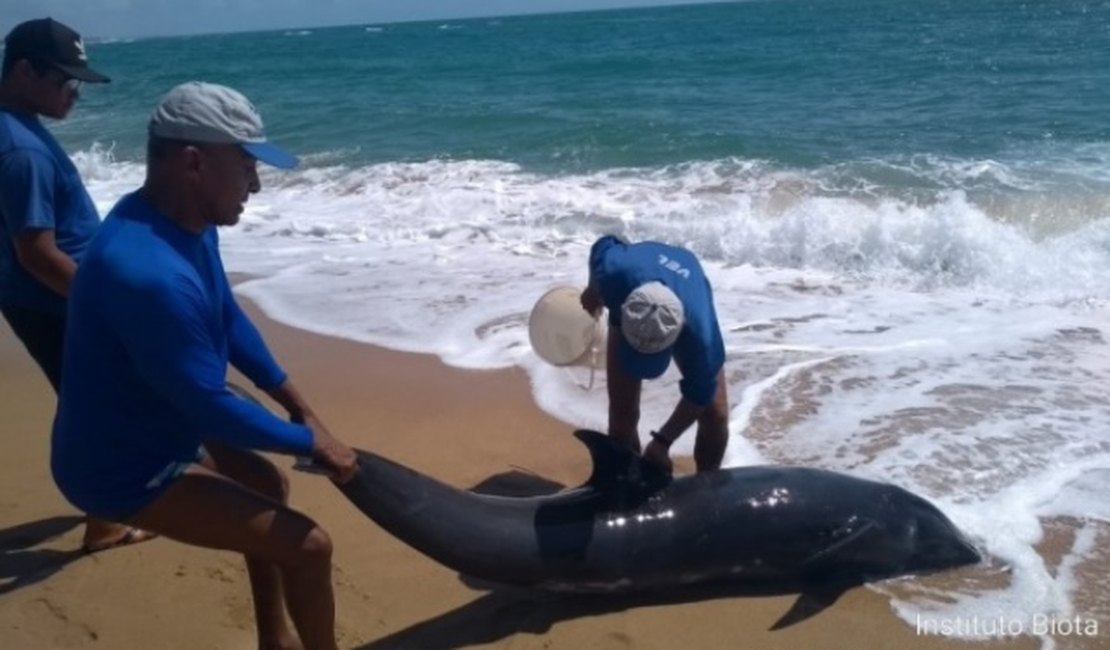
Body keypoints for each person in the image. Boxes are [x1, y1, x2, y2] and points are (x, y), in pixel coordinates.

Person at [51, 81, 359, 650]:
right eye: (246, 166)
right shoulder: (145, 272)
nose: (257, 184)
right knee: (309, 546)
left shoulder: (187, 224)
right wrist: (314, 444)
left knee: (266, 482)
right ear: (194, 162)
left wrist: (300, 405)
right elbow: (210, 407)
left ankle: (274, 636)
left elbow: (227, 316)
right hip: (118, 465)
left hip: (157, 425)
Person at [0, 17, 157, 552]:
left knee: (92, 400)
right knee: (95, 404)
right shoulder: (21, 149)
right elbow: (38, 253)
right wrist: (101, 306)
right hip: (54, 301)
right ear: (23, 71)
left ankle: (110, 506)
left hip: (39, 299)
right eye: (66, 83)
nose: (75, 95)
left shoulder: (14, 128)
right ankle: (107, 521)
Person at [580, 234, 729, 475]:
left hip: (687, 287)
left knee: (716, 414)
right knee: (622, 418)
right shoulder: (611, 274)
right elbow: (605, 242)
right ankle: (627, 485)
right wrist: (592, 289)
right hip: (632, 288)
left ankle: (707, 486)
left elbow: (698, 395)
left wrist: (662, 442)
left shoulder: (701, 336)